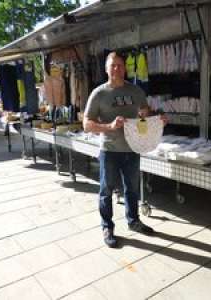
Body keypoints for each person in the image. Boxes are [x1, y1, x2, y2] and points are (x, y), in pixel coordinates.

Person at [84, 52, 161, 248]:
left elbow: (145, 117)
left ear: (125, 68)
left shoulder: (136, 91)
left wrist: (153, 118)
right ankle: (107, 226)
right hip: (109, 150)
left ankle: (133, 221)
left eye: (120, 65)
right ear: (106, 69)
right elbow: (87, 124)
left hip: (132, 149)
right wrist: (109, 127)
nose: (116, 69)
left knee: (132, 189)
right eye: (113, 66)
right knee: (106, 190)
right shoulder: (99, 93)